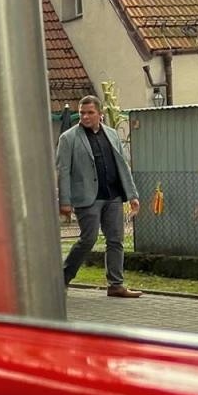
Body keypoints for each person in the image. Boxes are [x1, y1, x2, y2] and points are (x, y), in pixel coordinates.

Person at [56, 95, 142, 298]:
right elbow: (63, 171)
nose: (85, 116)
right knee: (88, 239)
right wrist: (65, 202)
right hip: (87, 198)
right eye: (82, 112)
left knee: (116, 240)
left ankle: (116, 285)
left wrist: (132, 195)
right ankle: (62, 279)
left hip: (112, 196)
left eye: (90, 113)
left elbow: (123, 167)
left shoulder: (111, 135)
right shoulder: (68, 138)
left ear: (100, 114)